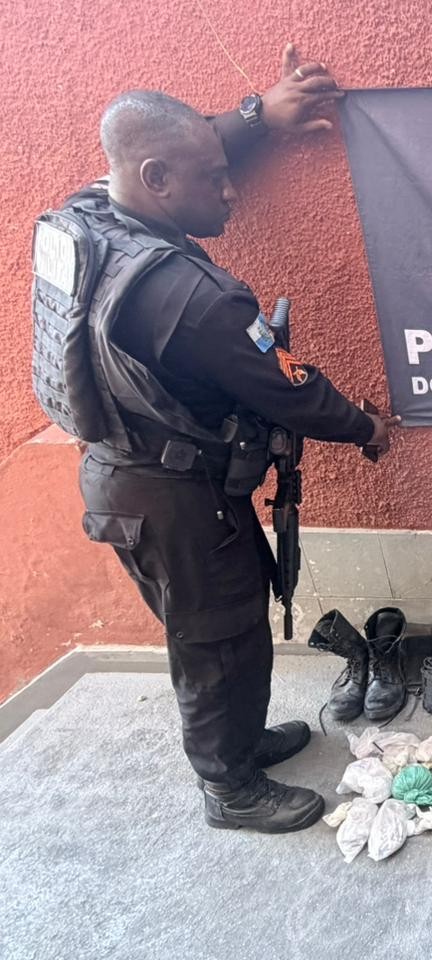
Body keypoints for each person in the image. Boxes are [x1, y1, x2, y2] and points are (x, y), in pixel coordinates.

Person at [32, 45, 400, 833]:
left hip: (131, 479)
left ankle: (241, 741)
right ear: (157, 180)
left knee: (222, 632)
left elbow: (180, 144)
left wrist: (257, 117)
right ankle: (228, 787)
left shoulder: (93, 211)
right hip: (174, 497)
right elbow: (288, 390)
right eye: (214, 178)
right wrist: (367, 427)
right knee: (216, 639)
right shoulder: (189, 299)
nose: (231, 190)